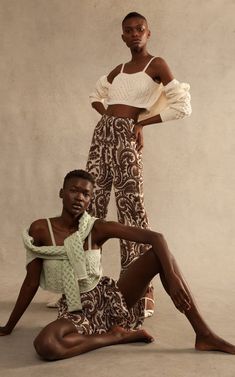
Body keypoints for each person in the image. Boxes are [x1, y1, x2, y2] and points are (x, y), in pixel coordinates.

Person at [0, 169, 234, 361]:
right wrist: (9, 326)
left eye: (86, 194)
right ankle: (116, 336)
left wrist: (171, 279)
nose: (80, 197)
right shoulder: (41, 230)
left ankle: (204, 334)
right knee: (46, 345)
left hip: (112, 300)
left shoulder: (96, 228)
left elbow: (157, 238)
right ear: (61, 193)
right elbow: (31, 282)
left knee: (160, 256)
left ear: (91, 199)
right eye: (74, 191)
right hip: (77, 309)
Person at [86, 12, 192, 317]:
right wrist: (108, 117)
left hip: (125, 136)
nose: (134, 34)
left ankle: (141, 291)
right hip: (102, 134)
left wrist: (141, 123)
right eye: (129, 30)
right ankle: (83, 284)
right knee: (92, 207)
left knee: (132, 210)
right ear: (122, 37)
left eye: (140, 29)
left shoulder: (155, 64)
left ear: (148, 34)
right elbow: (96, 95)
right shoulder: (118, 70)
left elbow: (182, 105)